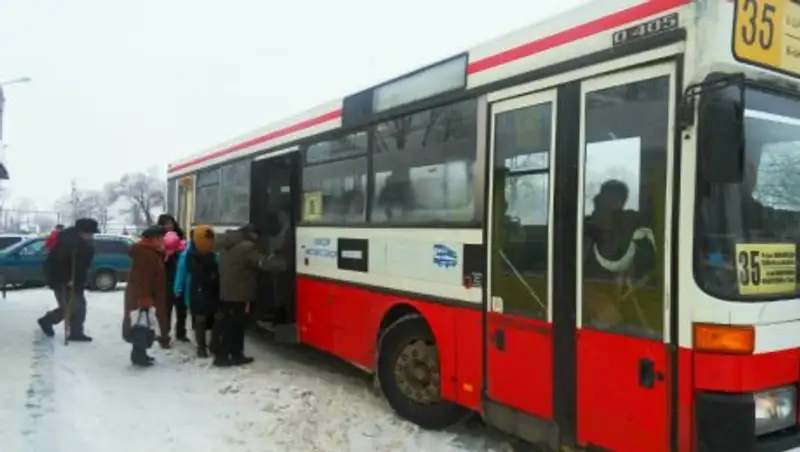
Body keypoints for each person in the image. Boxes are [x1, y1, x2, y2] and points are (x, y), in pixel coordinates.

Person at [216, 224, 285, 367]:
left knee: (230, 325)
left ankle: (233, 355)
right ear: (251, 233)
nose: (258, 239)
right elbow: (263, 263)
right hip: (240, 293)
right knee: (236, 326)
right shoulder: (247, 247)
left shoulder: (226, 243)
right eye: (257, 235)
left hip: (227, 291)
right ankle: (226, 357)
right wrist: (284, 263)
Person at [37, 218, 99, 342]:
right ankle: (47, 321)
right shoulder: (68, 243)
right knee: (71, 307)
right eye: (90, 233)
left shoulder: (84, 243)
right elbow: (58, 264)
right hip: (62, 280)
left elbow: (83, 264)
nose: (91, 236)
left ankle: (76, 332)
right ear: (81, 232)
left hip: (76, 280)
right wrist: (66, 279)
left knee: (78, 307)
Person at [122, 226, 168, 366]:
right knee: (142, 326)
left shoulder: (148, 252)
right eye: (159, 239)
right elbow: (142, 278)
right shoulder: (147, 254)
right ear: (151, 239)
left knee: (142, 325)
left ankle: (139, 354)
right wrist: (144, 298)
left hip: (141, 295)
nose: (162, 241)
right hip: (143, 296)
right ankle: (139, 356)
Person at [185, 225, 220, 358]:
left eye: (211, 239)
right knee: (200, 318)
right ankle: (201, 347)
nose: (210, 242)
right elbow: (197, 273)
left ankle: (213, 345)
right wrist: (211, 276)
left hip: (212, 291)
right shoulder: (192, 254)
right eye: (207, 239)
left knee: (215, 317)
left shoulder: (211, 253)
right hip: (199, 291)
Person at [163, 231, 189, 343]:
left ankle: (176, 334)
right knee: (174, 313)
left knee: (178, 313)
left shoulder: (181, 253)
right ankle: (169, 336)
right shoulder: (163, 255)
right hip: (171, 287)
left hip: (174, 286)